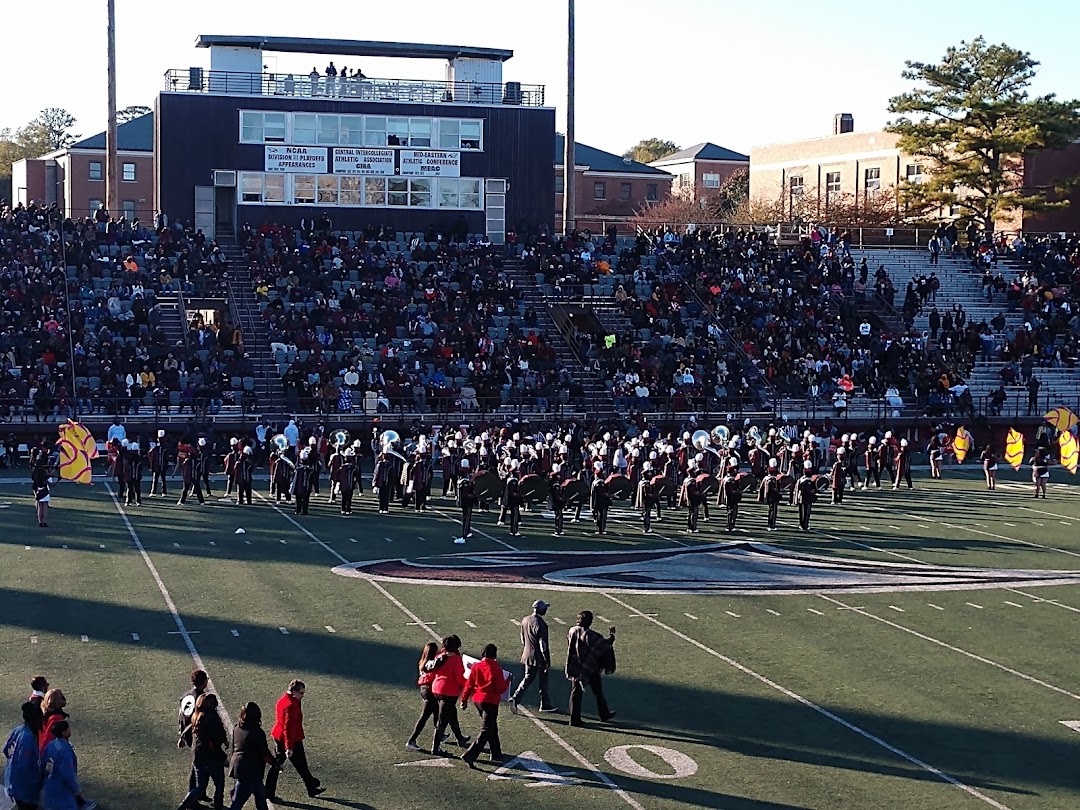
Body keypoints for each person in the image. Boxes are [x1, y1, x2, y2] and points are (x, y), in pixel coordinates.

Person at [266, 680, 325, 799]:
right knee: (301, 764)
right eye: (301, 693)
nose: (303, 696)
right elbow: (289, 728)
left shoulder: (283, 700)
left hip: (279, 736)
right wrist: (289, 747)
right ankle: (311, 785)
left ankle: (268, 791)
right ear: (294, 692)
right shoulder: (292, 705)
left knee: (278, 764)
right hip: (291, 739)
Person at [460, 643, 509, 767]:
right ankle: (470, 755)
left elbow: (469, 684)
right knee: (486, 729)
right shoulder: (495, 668)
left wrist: (464, 699)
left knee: (491, 726)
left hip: (478, 700)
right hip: (490, 701)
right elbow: (500, 688)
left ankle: (496, 752)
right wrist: (508, 681)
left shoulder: (477, 667)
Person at [564, 611, 616, 727]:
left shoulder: (572, 630)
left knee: (575, 694)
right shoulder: (591, 635)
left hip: (576, 666)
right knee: (598, 692)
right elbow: (604, 645)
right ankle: (604, 714)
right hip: (590, 667)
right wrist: (612, 636)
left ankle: (574, 718)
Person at [177, 693, 228, 810]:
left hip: (198, 756)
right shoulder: (212, 719)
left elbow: (190, 728)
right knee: (219, 784)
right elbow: (215, 741)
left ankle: (184, 805)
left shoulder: (196, 716)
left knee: (200, 786)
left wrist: (182, 737)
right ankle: (218, 805)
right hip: (211, 758)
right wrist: (223, 756)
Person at [508, 600, 557, 714]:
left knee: (528, 677)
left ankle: (517, 698)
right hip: (538, 656)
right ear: (541, 610)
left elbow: (522, 638)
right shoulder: (541, 623)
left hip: (527, 653)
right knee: (543, 680)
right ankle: (543, 703)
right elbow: (542, 644)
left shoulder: (525, 620)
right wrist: (546, 659)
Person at [429, 635, 471, 756]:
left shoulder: (440, 656)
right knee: (443, 721)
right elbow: (459, 677)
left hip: (437, 688)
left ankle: (460, 738)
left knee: (452, 714)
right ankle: (435, 747)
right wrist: (468, 684)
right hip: (448, 691)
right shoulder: (456, 659)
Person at [42, 720, 97, 810]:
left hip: (50, 785)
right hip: (62, 788)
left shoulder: (51, 745)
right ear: (64, 733)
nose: (70, 730)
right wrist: (76, 788)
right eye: (68, 729)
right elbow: (67, 773)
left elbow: (45, 764)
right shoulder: (65, 750)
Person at [228, 702, 273, 810]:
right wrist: (275, 763)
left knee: (260, 798)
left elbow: (233, 747)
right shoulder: (257, 732)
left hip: (238, 767)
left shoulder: (237, 728)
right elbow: (265, 754)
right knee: (239, 802)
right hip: (252, 771)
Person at [3, 701, 44, 810]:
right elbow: (24, 766)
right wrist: (38, 780)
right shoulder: (28, 738)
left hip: (12, 781)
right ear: (36, 719)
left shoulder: (18, 730)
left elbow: (6, 750)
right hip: (24, 788)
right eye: (41, 719)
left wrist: (12, 762)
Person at [178, 669, 210, 802]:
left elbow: (180, 715)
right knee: (199, 766)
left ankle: (200, 792)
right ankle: (192, 797)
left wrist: (181, 735)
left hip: (187, 734)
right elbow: (198, 721)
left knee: (200, 765)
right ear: (203, 682)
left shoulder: (186, 695)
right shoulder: (201, 699)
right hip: (196, 737)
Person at [406, 642, 442, 751]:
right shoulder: (431, 663)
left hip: (424, 689)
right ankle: (412, 740)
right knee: (424, 717)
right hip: (429, 690)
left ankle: (440, 735)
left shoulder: (422, 661)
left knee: (437, 713)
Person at [757, 459, 782, 531]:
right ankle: (771, 525)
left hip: (769, 497)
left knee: (771, 510)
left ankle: (770, 524)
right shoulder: (773, 479)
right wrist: (777, 490)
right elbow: (772, 489)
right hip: (773, 497)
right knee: (773, 511)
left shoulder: (766, 478)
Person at [794, 461, 817, 531]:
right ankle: (804, 525)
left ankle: (803, 524)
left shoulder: (802, 479)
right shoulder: (803, 480)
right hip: (805, 497)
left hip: (802, 497)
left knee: (803, 512)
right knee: (805, 512)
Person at [457, 461, 476, 538]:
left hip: (463, 501)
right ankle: (465, 532)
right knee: (467, 518)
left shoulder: (462, 479)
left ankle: (467, 531)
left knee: (466, 517)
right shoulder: (465, 482)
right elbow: (466, 495)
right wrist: (474, 496)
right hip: (466, 502)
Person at [32, 455, 51, 527]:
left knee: (39, 507)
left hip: (38, 490)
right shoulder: (43, 472)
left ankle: (40, 522)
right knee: (45, 507)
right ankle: (44, 521)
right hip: (45, 491)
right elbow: (50, 477)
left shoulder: (35, 472)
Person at [149, 430, 169, 496]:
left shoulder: (163, 447)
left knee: (161, 479)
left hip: (161, 465)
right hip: (159, 465)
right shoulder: (157, 447)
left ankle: (161, 492)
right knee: (158, 479)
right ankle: (156, 491)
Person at [549, 464, 566, 536]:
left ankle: (558, 529)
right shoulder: (556, 485)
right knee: (559, 515)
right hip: (557, 502)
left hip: (556, 501)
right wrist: (563, 499)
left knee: (558, 515)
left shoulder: (554, 484)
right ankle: (558, 529)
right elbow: (557, 495)